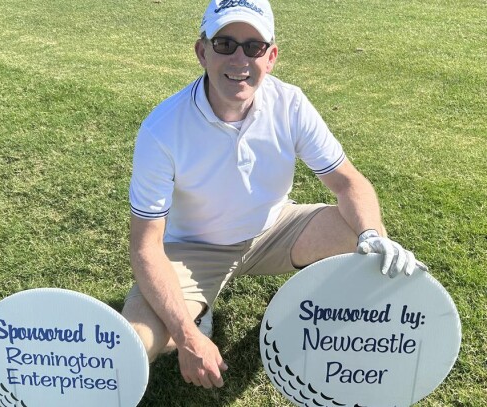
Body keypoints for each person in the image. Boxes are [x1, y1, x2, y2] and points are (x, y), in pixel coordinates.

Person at [122, 0, 427, 390]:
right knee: (138, 340)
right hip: (195, 249)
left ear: (271, 57)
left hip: (275, 229)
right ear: (202, 51)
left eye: (253, 47)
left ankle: (331, 324)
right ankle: (197, 312)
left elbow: (349, 182)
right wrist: (186, 336)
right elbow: (146, 246)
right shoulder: (161, 129)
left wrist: (372, 235)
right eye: (225, 43)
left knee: (366, 240)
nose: (239, 58)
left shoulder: (291, 103)